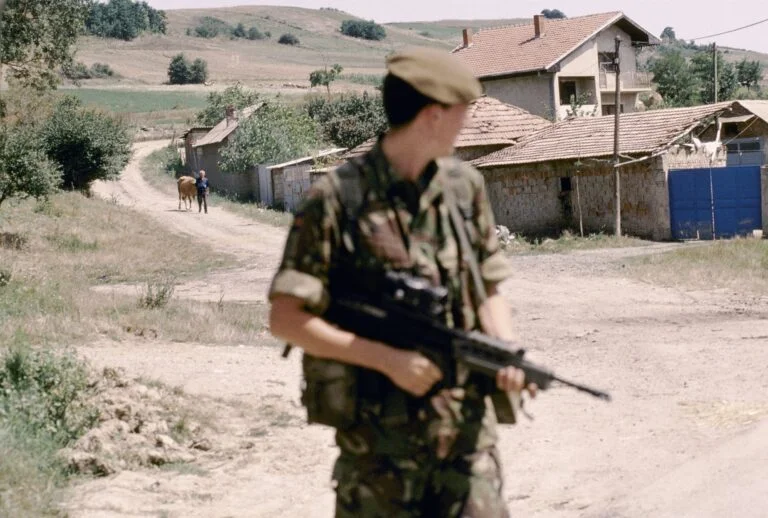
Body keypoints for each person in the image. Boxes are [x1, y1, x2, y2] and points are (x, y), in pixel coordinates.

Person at [268, 47, 536, 518]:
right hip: (378, 453)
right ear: (433, 115)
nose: (466, 125)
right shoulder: (336, 199)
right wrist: (387, 360)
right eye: (462, 113)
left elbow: (489, 287)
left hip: (466, 441)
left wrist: (504, 349)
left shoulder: (463, 187)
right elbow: (286, 319)